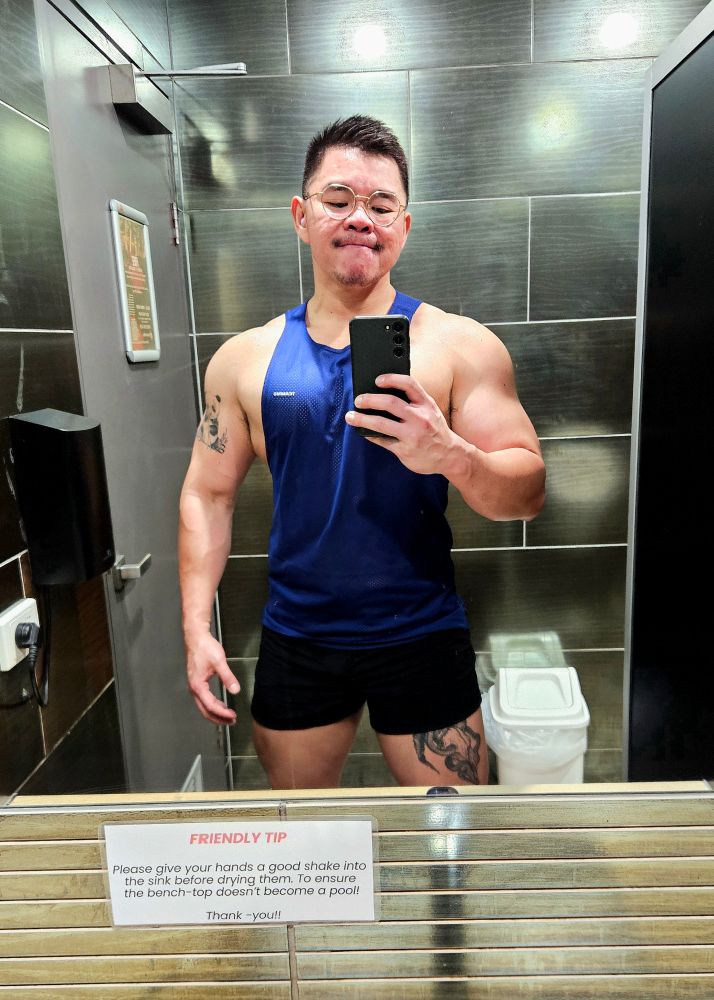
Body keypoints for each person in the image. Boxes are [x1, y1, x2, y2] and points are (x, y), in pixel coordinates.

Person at [178, 115, 545, 790]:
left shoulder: (462, 346)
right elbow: (209, 493)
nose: (360, 219)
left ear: (405, 224)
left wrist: (451, 455)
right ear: (301, 215)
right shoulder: (243, 359)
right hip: (299, 636)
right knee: (303, 833)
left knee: (453, 833)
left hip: (421, 631)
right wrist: (196, 628)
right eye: (338, 199)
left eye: (381, 205)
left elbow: (527, 493)